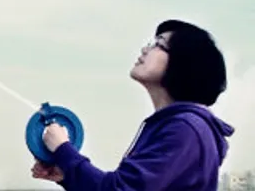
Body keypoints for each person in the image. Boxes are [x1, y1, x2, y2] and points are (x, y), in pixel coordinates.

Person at [31, 19, 234, 191]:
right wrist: (68, 176)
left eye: (158, 44)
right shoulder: (181, 126)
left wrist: (63, 149)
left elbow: (119, 188)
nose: (145, 49)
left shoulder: (185, 129)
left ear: (183, 63)